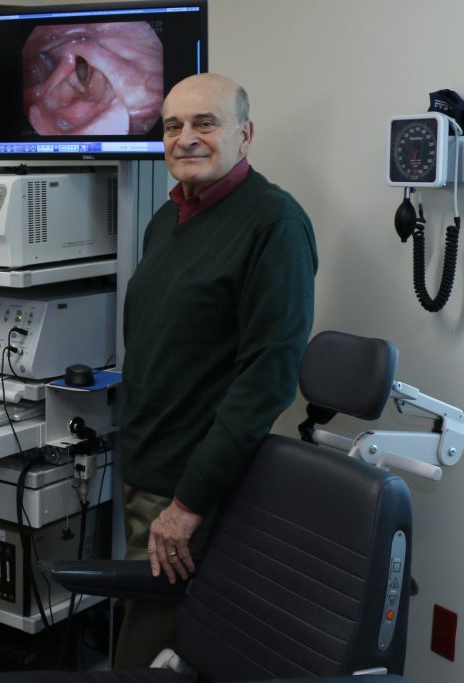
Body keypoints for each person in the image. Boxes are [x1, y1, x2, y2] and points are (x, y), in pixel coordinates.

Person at [115, 72, 317, 668]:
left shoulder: (273, 224)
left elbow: (268, 377)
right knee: (146, 639)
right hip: (147, 472)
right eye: (173, 126)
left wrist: (187, 503)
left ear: (245, 135)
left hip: (189, 492)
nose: (185, 138)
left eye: (205, 123)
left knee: (155, 656)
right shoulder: (168, 217)